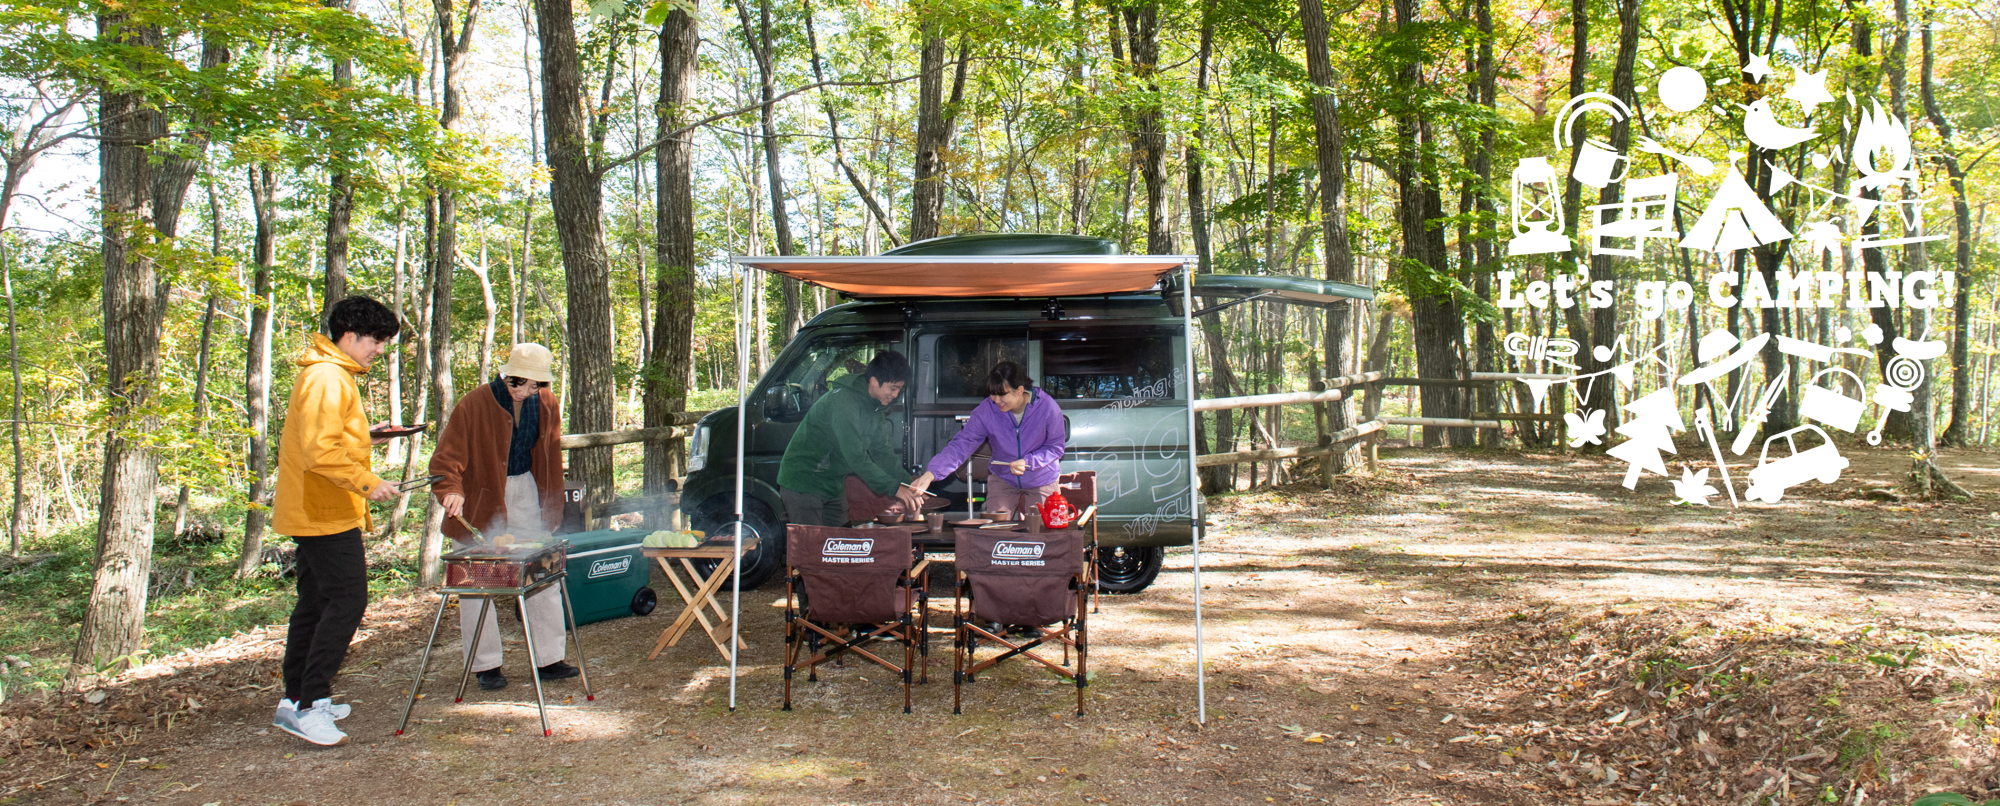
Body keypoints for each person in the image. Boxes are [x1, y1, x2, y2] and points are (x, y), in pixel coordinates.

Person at [269, 295, 403, 747]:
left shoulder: (327, 373)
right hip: (322, 510)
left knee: (314, 602)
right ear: (350, 335)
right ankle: (312, 705)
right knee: (348, 600)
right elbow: (319, 452)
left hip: (316, 506)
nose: (379, 350)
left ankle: (293, 700)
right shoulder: (327, 376)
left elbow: (326, 436)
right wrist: (368, 482)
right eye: (377, 341)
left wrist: (371, 435)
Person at [427, 343, 580, 691]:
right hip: (481, 497)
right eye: (521, 383)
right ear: (507, 375)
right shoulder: (474, 404)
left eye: (535, 385)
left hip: (526, 489)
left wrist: (552, 504)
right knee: (475, 579)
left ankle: (550, 658)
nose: (528, 391)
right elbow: (445, 459)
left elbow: (550, 457)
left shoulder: (547, 403)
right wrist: (451, 489)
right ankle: (486, 665)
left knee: (541, 569)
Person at [776, 351, 925, 526]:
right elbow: (856, 457)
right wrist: (894, 487)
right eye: (893, 388)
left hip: (833, 484)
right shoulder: (844, 402)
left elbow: (883, 453)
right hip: (803, 482)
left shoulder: (875, 407)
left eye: (899, 389)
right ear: (874, 381)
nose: (895, 395)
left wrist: (909, 485)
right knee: (811, 548)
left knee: (839, 546)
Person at [909, 361, 1065, 517]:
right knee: (994, 530)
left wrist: (1029, 462)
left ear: (1020, 390)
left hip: (1042, 478)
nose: (996, 400)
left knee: (1044, 532)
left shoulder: (1048, 407)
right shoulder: (986, 410)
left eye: (1002, 394)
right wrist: (930, 474)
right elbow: (961, 444)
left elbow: (1055, 447)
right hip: (1003, 478)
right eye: (992, 393)